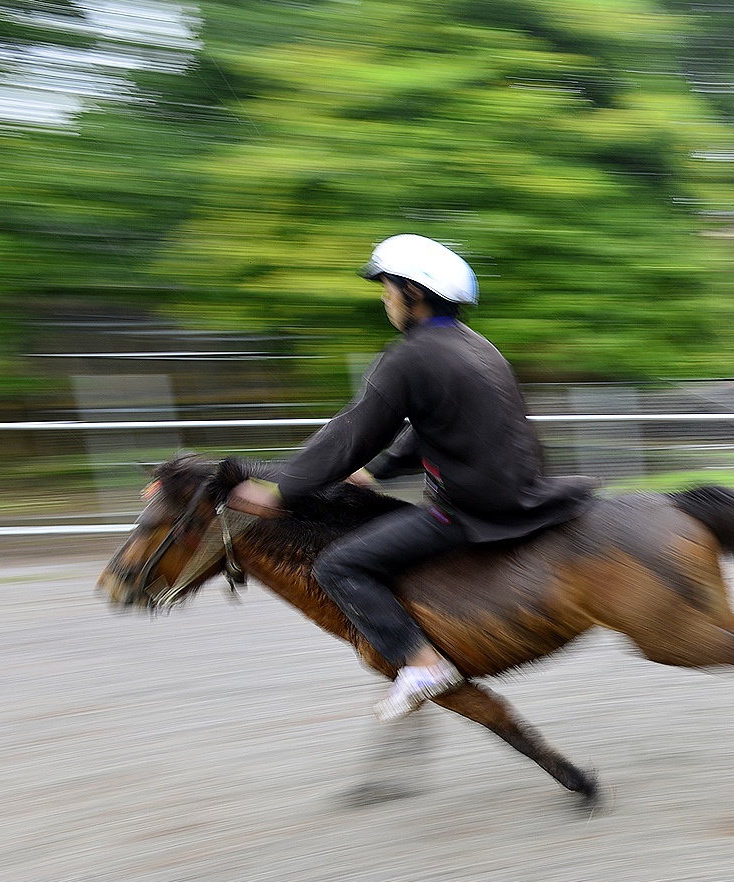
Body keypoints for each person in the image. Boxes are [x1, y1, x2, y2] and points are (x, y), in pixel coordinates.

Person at [229, 235, 593, 720]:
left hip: (469, 511)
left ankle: (422, 663)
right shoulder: (477, 347)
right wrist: (377, 470)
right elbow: (430, 431)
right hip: (525, 491)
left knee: (338, 566)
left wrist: (278, 490)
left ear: (413, 293)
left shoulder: (410, 357)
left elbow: (351, 432)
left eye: (386, 290)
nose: (384, 301)